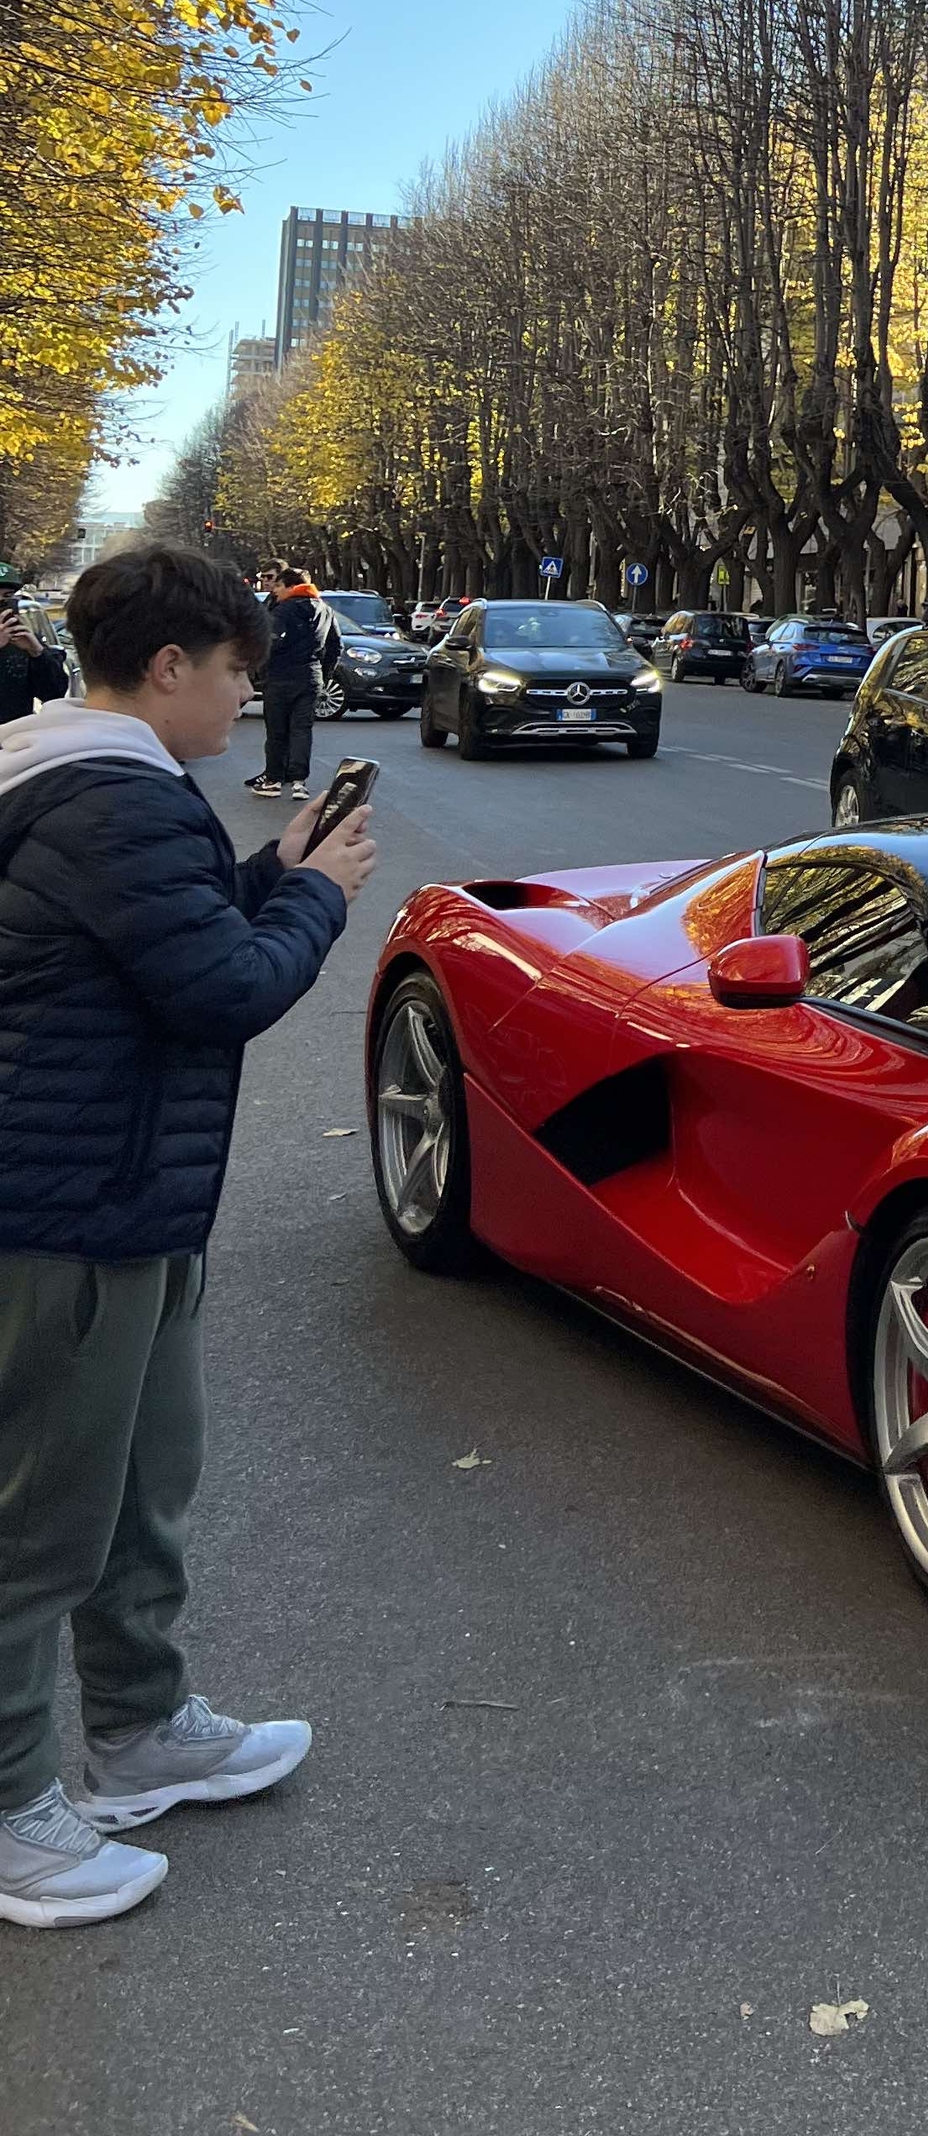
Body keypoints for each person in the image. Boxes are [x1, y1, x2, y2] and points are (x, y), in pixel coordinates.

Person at [0, 544, 377, 1929]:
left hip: (121, 1196)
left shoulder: (93, 781)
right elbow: (218, 991)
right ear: (168, 666)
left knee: (143, 1483)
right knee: (41, 1526)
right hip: (71, 1208)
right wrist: (320, 894)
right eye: (233, 674)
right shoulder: (115, 799)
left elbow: (155, 949)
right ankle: (14, 1814)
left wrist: (267, 869)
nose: (243, 703)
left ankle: (141, 1730)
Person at [247, 567, 329, 800]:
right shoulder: (324, 609)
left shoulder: (284, 611)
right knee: (302, 730)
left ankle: (273, 780)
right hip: (311, 676)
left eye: (279, 587)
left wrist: (262, 669)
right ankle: (299, 782)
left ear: (291, 587)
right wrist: (325, 674)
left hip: (281, 677)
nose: (276, 591)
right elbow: (334, 645)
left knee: (277, 731)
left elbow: (269, 642)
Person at [0, 595, 69, 729]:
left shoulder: (21, 640)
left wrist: (37, 652)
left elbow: (54, 693)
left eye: (7, 597)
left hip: (16, 737)